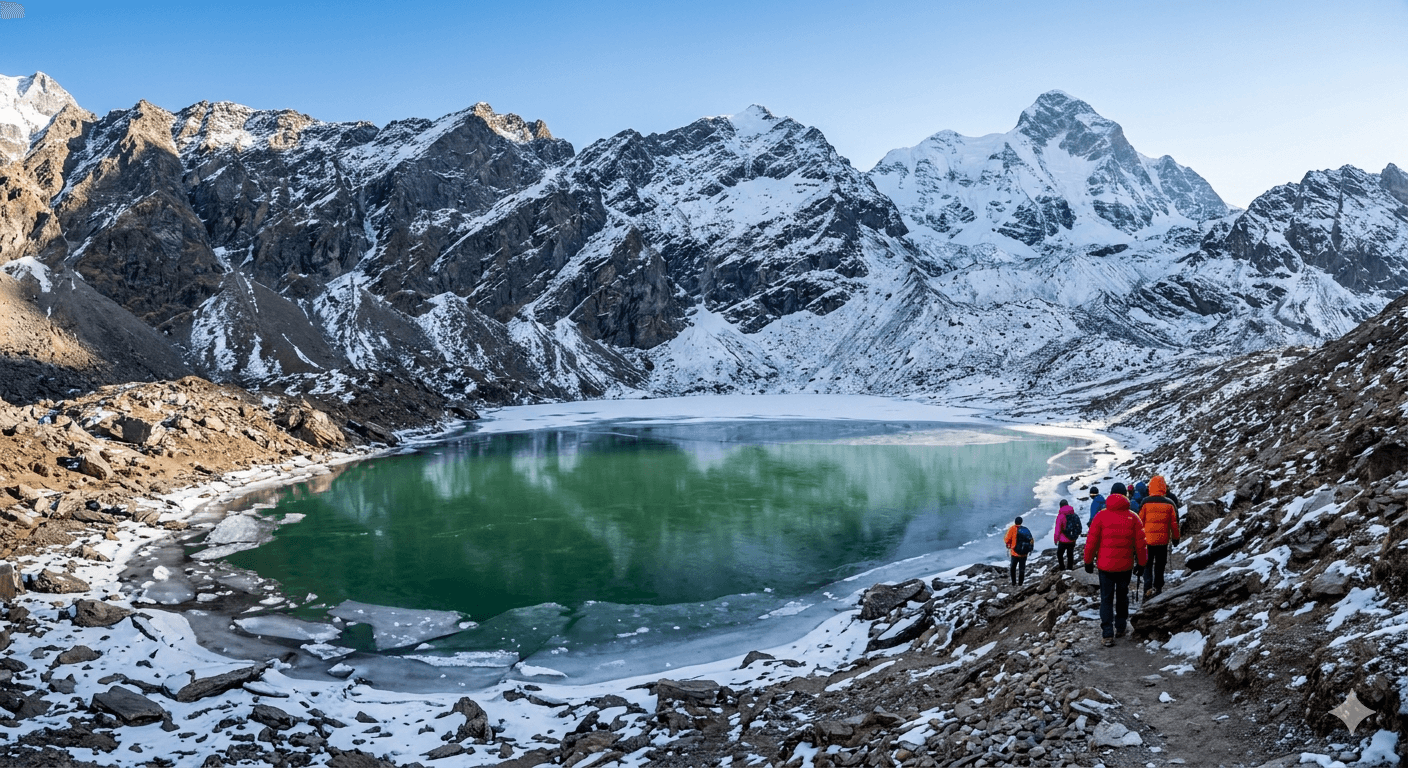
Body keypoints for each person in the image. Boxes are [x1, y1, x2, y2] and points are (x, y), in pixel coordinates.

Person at [1083, 493, 1148, 646]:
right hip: (1125, 566)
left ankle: (1107, 633)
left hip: (1105, 567)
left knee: (1106, 598)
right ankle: (1120, 626)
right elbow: (1141, 543)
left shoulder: (1100, 516)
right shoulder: (1133, 518)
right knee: (1122, 596)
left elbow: (1092, 541)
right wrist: (1142, 563)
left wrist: (1088, 561)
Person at [1138, 475, 1181, 598]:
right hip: (1162, 541)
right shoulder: (1170, 503)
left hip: (1147, 541)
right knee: (1160, 564)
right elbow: (1174, 524)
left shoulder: (1145, 502)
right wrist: (1175, 538)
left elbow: (1139, 522)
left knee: (1147, 564)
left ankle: (1147, 587)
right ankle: (1158, 587)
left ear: (1151, 487)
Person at [1004, 515, 1034, 586]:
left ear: (1015, 522)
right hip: (1024, 553)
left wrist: (1009, 545)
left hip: (1015, 553)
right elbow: (1031, 540)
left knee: (1013, 568)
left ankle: (1013, 582)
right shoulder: (1025, 529)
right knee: (1022, 568)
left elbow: (1007, 539)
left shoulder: (1012, 529)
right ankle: (1020, 583)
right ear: (1021, 522)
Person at [1054, 499, 1080, 570]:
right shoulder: (1074, 515)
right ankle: (1069, 569)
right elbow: (1079, 527)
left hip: (1063, 540)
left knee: (1059, 554)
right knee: (1070, 554)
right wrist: (1075, 536)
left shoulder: (1060, 516)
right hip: (1072, 540)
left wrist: (1056, 539)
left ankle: (1062, 568)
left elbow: (1058, 529)